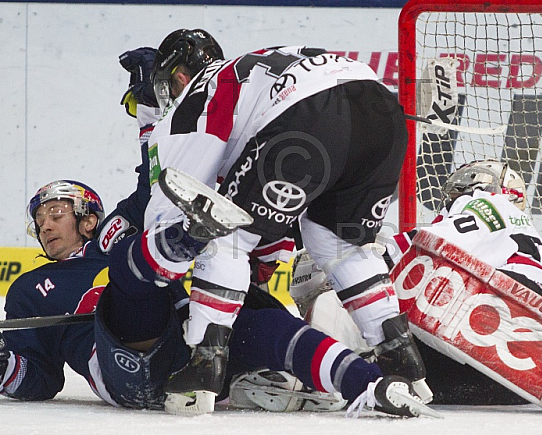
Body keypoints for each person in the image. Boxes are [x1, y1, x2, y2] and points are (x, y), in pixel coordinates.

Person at [0, 180, 435, 417]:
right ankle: (187, 242)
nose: (45, 225)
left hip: (192, 346)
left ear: (87, 216)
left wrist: (153, 109)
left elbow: (158, 180)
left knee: (262, 322)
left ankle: (374, 387)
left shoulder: (117, 235)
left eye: (56, 212)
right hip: (129, 372)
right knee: (132, 281)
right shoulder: (29, 290)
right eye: (39, 221)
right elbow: (40, 378)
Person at [115, 29, 428, 400]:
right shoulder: (254, 72)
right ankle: (401, 357)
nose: (171, 96)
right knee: (339, 244)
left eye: (168, 86)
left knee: (221, 233)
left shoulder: (201, 88)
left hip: (311, 115)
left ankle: (204, 365)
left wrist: (164, 254)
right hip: (382, 112)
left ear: (181, 76)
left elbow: (172, 208)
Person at [291, 159, 542, 414]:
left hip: (493, 338)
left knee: (354, 271)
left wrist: (351, 259)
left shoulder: (485, 203)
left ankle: (315, 369)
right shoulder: (528, 243)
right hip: (519, 380)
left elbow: (422, 248)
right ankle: (362, 370)